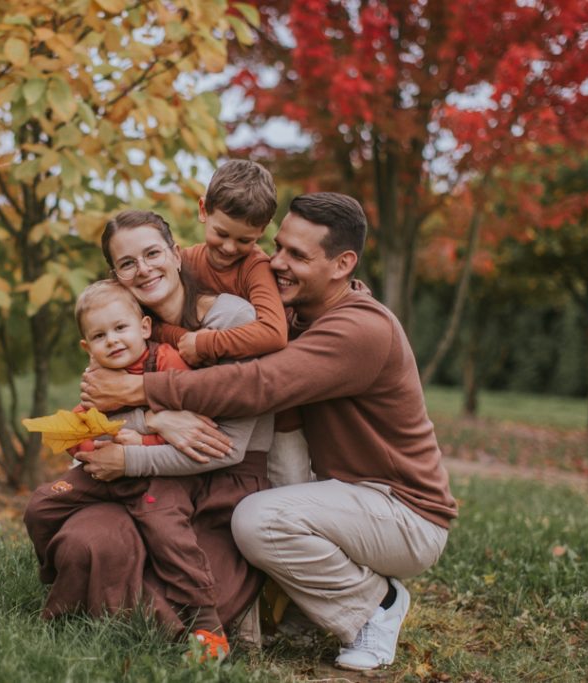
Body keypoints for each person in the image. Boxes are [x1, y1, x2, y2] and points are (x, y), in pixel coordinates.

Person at [80, 193, 458, 672]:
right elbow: (172, 264)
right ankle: (305, 606)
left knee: (258, 519)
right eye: (278, 247)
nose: (274, 263)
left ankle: (375, 604)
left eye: (297, 256)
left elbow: (259, 385)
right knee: (266, 499)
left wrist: (140, 389)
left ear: (343, 264)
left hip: (401, 509)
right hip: (342, 494)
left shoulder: (360, 329)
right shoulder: (296, 311)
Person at [24, 210, 274, 655]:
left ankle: (197, 629)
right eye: (127, 263)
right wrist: (153, 421)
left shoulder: (230, 319)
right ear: (115, 274)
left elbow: (225, 445)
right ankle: (69, 588)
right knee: (88, 542)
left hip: (214, 481)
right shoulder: (118, 326)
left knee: (184, 573)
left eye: (153, 253)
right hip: (135, 473)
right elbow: (100, 409)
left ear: (176, 255)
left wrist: (133, 448)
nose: (143, 269)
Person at [26, 279, 233, 657]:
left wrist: (141, 442)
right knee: (41, 505)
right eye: (100, 336)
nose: (113, 341)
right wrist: (87, 444)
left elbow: (191, 424)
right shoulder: (98, 376)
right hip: (104, 470)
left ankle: (208, 627)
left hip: (156, 476)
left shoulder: (166, 362)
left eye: (121, 328)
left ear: (144, 328)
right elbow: (84, 420)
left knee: (172, 540)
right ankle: (53, 572)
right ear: (87, 347)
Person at [154, 158, 310, 488]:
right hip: (208, 395)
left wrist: (205, 344)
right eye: (221, 233)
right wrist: (185, 338)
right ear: (203, 210)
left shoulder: (255, 267)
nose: (229, 247)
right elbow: (151, 323)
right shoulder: (186, 263)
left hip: (273, 411)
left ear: (264, 230)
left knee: (288, 486)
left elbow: (273, 332)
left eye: (244, 240)